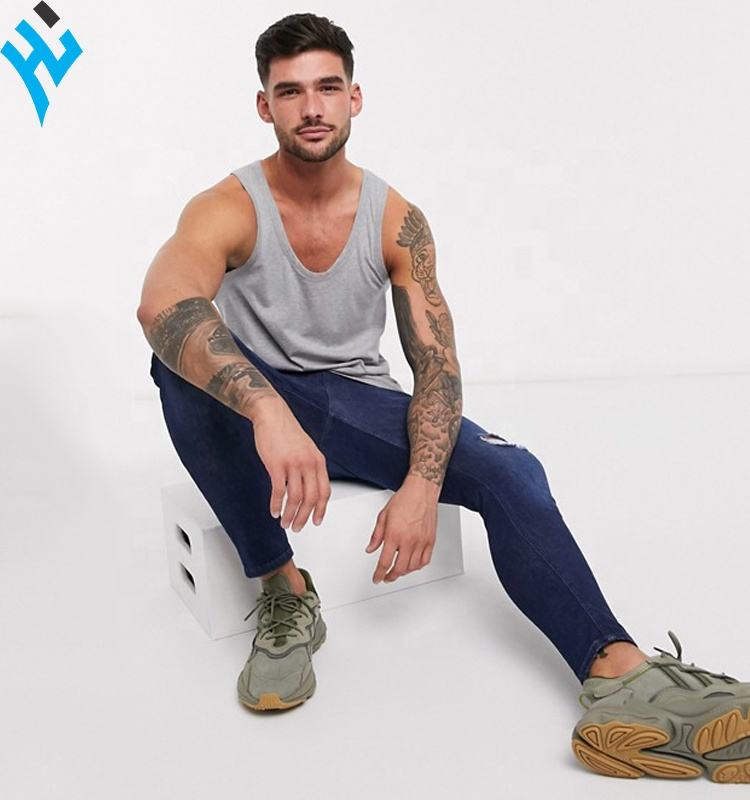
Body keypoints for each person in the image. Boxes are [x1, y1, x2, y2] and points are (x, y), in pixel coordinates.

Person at [136, 12, 749, 783]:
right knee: (176, 364)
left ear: (355, 98)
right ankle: (284, 592)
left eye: (327, 87)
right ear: (266, 106)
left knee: (511, 470)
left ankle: (621, 673)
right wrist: (268, 411)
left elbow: (437, 367)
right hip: (261, 406)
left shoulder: (396, 220)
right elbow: (163, 304)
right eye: (290, 92)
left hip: (353, 408)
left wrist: (423, 483)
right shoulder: (228, 207)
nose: (311, 107)